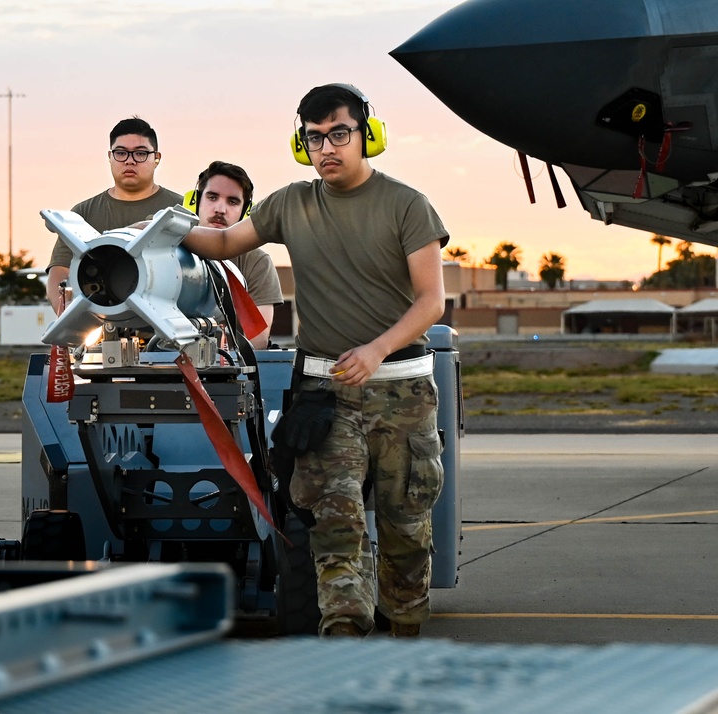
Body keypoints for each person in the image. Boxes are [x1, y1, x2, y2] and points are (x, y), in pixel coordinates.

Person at [180, 84, 448, 638]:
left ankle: (405, 641)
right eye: (315, 138)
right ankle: (342, 643)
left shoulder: (408, 205)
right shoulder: (290, 204)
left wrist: (377, 349)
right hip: (327, 398)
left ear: (367, 136)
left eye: (339, 134)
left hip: (402, 394)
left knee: (405, 529)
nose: (328, 147)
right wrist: (155, 231)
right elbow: (225, 244)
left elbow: (431, 302)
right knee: (334, 524)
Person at [46, 117, 182, 304]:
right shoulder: (82, 215)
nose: (130, 161)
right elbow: (60, 273)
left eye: (140, 154)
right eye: (121, 153)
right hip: (103, 324)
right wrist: (72, 318)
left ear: (156, 158)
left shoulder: (180, 212)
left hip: (170, 324)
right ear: (110, 156)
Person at [189, 161, 282, 349]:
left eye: (233, 201)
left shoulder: (257, 262)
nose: (220, 209)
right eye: (212, 197)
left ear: (245, 210)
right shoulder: (166, 247)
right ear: (197, 200)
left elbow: (257, 342)